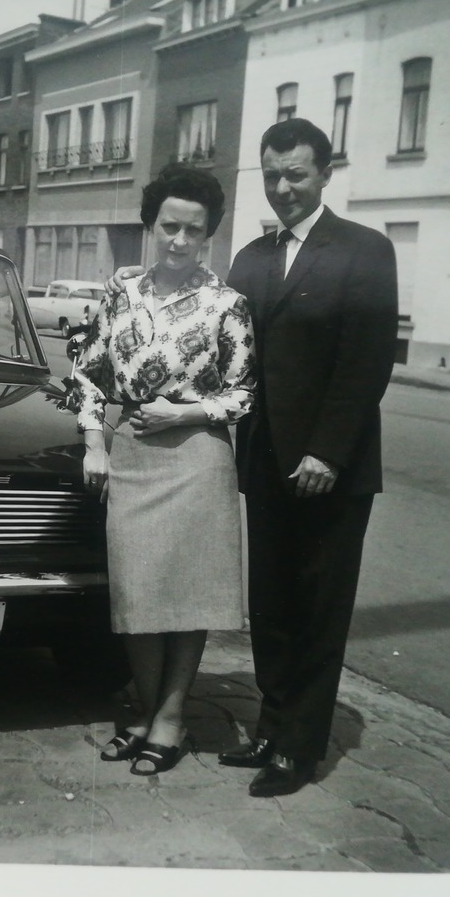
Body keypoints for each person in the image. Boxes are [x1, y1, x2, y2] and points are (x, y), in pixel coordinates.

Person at [109, 118, 398, 796]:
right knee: (270, 607)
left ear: (326, 173)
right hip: (265, 465)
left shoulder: (364, 251)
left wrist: (327, 450)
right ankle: (270, 729)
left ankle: (299, 750)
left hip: (331, 471)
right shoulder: (253, 260)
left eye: (296, 173)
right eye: (271, 174)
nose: (283, 187)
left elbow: (365, 364)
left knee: (318, 611)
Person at [69, 163, 256, 777]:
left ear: (209, 235)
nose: (178, 241)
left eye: (192, 231)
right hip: (131, 456)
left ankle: (167, 721)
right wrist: (95, 444)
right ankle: (151, 712)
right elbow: (89, 375)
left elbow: (244, 394)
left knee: (187, 594)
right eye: (168, 227)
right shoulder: (119, 291)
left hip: (198, 458)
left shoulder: (227, 305)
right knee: (138, 593)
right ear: (151, 225)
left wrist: (183, 412)